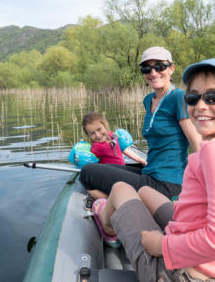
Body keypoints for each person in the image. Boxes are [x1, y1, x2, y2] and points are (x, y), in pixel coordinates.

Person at [92, 58, 215, 282]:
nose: (201, 105)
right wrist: (186, 210)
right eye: (193, 97)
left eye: (214, 97)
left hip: (182, 276)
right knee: (145, 192)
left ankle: (107, 224)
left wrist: (161, 245)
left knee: (120, 188)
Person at [80, 46, 201, 200]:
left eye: (159, 66)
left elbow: (196, 144)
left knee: (87, 172)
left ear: (171, 69)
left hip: (166, 184)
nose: (153, 73)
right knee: (98, 168)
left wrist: (202, 185)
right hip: (149, 172)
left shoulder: (178, 97)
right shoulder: (148, 100)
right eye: (146, 69)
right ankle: (124, 199)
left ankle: (111, 201)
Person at [82, 111, 147, 165]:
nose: (98, 135)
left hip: (121, 169)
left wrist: (141, 160)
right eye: (92, 133)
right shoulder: (96, 147)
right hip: (109, 173)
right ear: (89, 135)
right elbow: (90, 161)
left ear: (105, 125)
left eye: (99, 129)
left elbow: (125, 150)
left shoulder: (113, 136)